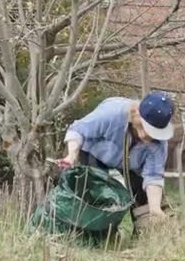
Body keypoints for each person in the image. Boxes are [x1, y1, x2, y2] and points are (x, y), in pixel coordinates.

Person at [57, 91, 175, 234]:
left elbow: (153, 176)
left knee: (143, 196)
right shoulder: (111, 114)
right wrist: (71, 155)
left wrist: (155, 209)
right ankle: (94, 235)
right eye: (148, 130)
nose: (150, 136)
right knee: (96, 191)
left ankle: (144, 235)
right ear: (137, 116)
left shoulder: (159, 143)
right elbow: (78, 130)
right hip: (94, 154)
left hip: (132, 164)